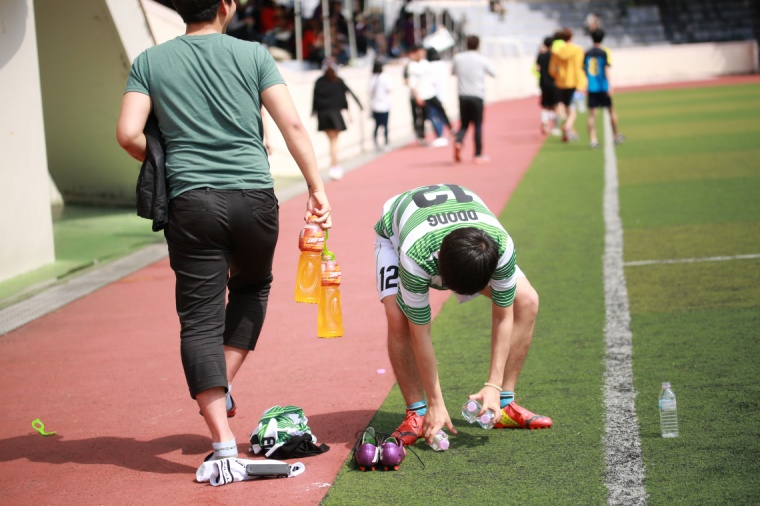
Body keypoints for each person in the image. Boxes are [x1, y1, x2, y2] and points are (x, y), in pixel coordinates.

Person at [116, 0, 332, 464]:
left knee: (199, 319)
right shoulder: (253, 54)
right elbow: (292, 123)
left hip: (190, 202)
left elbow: (128, 134)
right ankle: (224, 382)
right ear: (226, 5)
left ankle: (222, 444)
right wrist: (316, 188)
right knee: (252, 288)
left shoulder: (149, 61)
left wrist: (169, 164)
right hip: (254, 198)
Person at [374, 183, 552, 447]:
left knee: (526, 301)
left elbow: (503, 316)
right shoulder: (415, 257)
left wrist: (493, 385)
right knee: (399, 318)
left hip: (461, 238)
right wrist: (435, 403)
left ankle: (503, 404)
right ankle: (417, 413)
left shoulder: (502, 247)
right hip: (396, 234)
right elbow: (420, 333)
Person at [312, 59, 363, 180]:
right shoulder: (337, 80)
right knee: (334, 142)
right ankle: (335, 167)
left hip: (323, 115)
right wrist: (354, 109)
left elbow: (315, 99)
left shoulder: (319, 82)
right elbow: (348, 94)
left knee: (331, 142)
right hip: (335, 115)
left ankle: (334, 166)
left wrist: (313, 112)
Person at [451, 35, 496, 163]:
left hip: (463, 95)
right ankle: (478, 154)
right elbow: (493, 73)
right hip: (477, 95)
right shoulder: (482, 59)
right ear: (478, 45)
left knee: (464, 124)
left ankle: (459, 141)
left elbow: (452, 72)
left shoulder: (458, 58)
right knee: (477, 125)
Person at [406, 44, 454, 147]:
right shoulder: (412, 66)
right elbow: (412, 84)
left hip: (430, 93)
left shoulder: (426, 63)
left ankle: (450, 128)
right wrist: (417, 97)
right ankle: (422, 136)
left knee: (441, 110)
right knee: (422, 117)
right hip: (421, 95)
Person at [584, 29, 624, 149]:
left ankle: (593, 140)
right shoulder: (604, 52)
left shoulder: (587, 53)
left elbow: (584, 69)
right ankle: (615, 135)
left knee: (592, 115)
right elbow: (606, 69)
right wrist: (609, 85)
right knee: (611, 111)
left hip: (592, 87)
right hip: (603, 86)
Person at [549, 28, 586, 143]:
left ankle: (570, 132)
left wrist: (559, 75)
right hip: (573, 83)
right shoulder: (577, 50)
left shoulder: (557, 52)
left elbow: (552, 69)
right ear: (571, 38)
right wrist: (581, 83)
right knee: (573, 112)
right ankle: (567, 127)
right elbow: (580, 67)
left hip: (561, 83)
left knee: (567, 109)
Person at [535, 36, 560, 136]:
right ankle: (555, 127)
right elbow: (558, 69)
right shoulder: (555, 56)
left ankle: (545, 124)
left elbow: (537, 69)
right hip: (554, 83)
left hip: (544, 83)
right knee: (555, 106)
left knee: (545, 106)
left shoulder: (541, 56)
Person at [369, 60, 392, 152]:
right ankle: (386, 143)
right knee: (385, 125)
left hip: (375, 105)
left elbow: (369, 92)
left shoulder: (371, 78)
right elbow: (389, 89)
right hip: (384, 105)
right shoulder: (384, 77)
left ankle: (375, 143)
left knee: (377, 125)